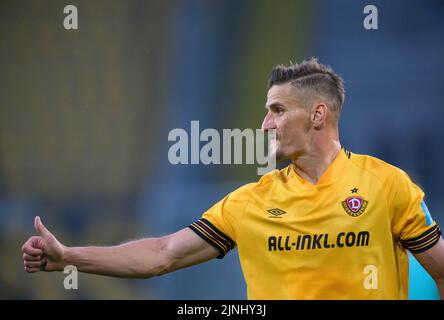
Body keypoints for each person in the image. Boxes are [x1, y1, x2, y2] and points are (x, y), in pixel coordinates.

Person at [21, 58, 444, 299]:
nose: (264, 124)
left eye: (277, 110)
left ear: (318, 115)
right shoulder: (249, 202)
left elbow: (440, 271)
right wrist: (71, 257)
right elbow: (163, 253)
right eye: (266, 110)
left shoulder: (387, 185)